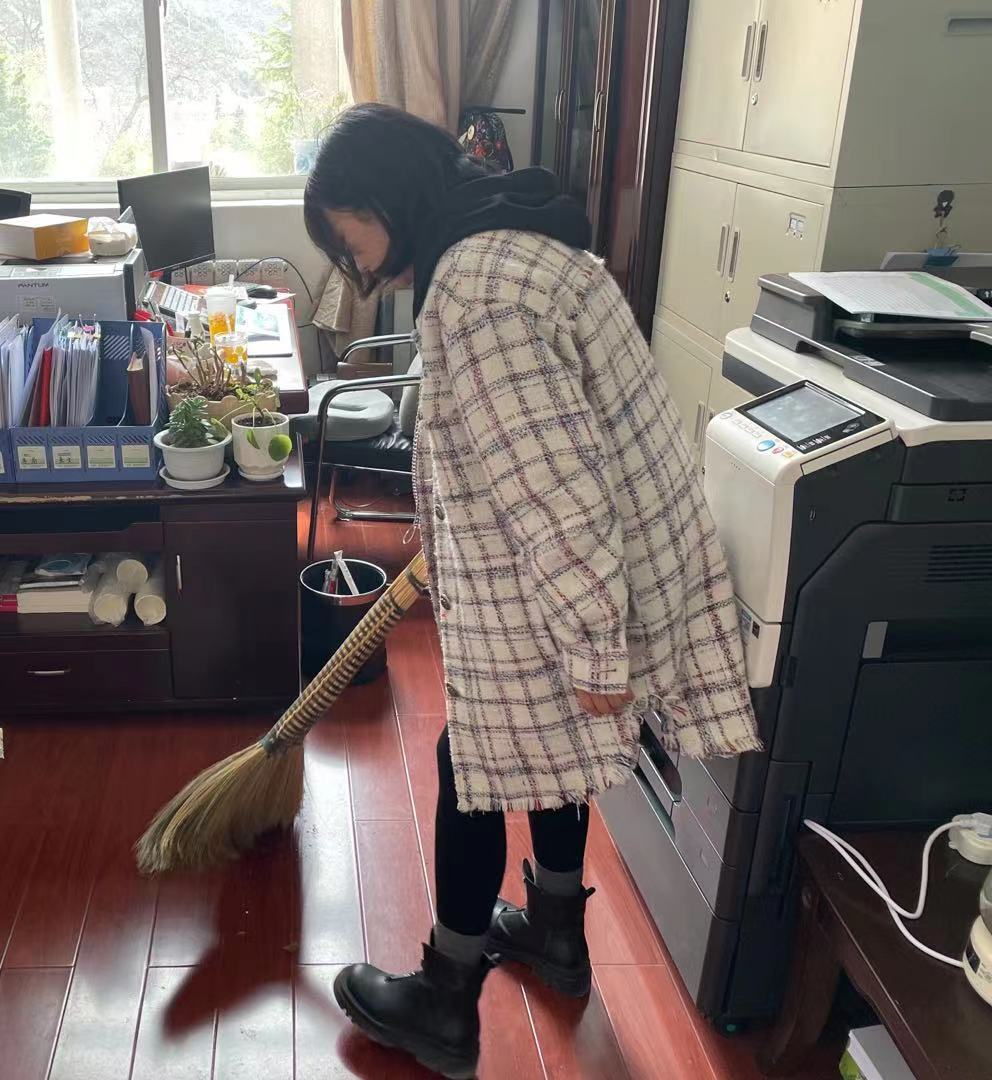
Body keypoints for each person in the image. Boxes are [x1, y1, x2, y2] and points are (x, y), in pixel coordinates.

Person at [303, 103, 760, 1079]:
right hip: (594, 566)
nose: (359, 265)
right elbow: (531, 452)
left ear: (384, 202)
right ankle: (554, 932)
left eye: (350, 238)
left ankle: (444, 1000)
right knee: (548, 753)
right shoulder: (509, 235)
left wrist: (594, 649)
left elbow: (560, 497)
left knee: (470, 761)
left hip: (571, 580)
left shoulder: (476, 296)